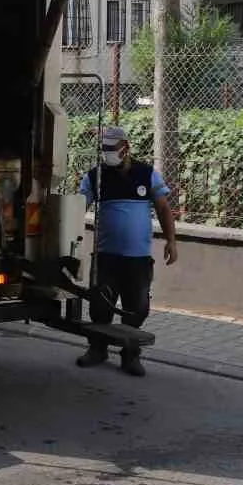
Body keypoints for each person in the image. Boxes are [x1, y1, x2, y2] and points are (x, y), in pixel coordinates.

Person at [76, 126, 178, 377]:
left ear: (125, 148)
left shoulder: (146, 174)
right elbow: (78, 206)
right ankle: (97, 349)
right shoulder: (96, 176)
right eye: (104, 149)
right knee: (101, 305)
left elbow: (164, 208)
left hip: (138, 258)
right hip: (106, 256)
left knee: (138, 307)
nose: (107, 153)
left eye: (112, 149)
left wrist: (171, 241)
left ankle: (130, 354)